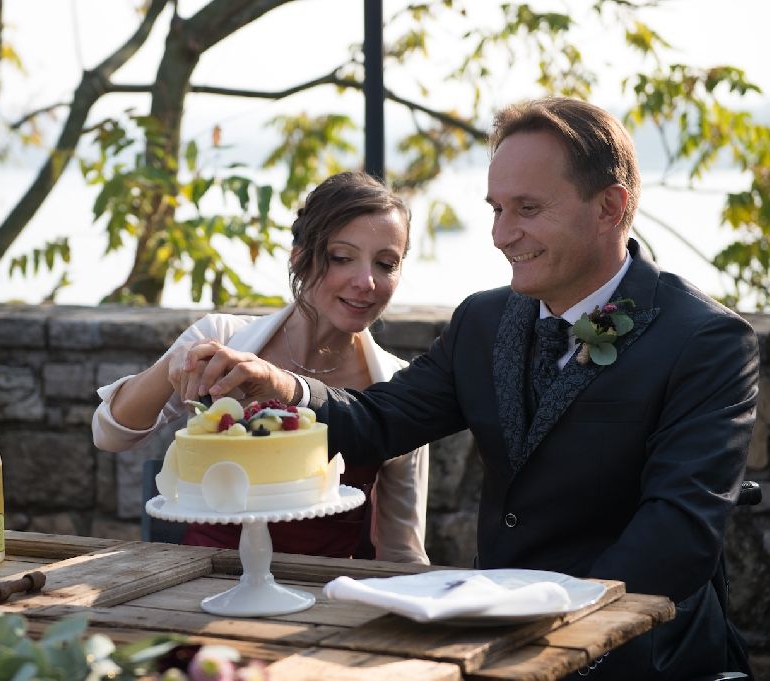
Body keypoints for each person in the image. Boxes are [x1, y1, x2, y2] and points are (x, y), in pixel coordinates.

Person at [182, 98, 757, 679]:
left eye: (527, 209)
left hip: (641, 656)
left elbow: (677, 534)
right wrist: (282, 387)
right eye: (497, 209)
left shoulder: (704, 340)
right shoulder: (483, 322)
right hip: (496, 646)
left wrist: (562, 638)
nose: (501, 235)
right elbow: (377, 423)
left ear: (610, 207)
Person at [92, 171, 430, 564]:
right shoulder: (223, 338)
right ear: (300, 257)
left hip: (328, 595)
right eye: (342, 258)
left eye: (386, 264)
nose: (366, 282)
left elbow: (401, 546)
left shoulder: (395, 385)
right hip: (206, 580)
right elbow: (109, 435)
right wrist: (177, 360)